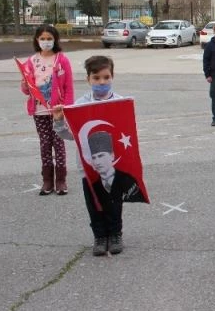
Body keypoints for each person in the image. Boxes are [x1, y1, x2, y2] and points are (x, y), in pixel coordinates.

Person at [53, 55, 142, 256]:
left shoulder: (120, 102)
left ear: (112, 77)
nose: (102, 82)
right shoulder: (80, 105)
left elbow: (126, 132)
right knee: (94, 203)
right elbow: (71, 135)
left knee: (114, 202)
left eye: (106, 77)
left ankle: (115, 234)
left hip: (114, 167)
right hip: (89, 168)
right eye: (96, 78)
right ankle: (100, 236)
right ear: (88, 79)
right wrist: (59, 121)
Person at [19, 25, 74, 195]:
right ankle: (47, 180)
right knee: (45, 144)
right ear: (37, 40)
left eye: (49, 38)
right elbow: (27, 90)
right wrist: (24, 85)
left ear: (55, 40)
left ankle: (61, 180)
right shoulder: (31, 61)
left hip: (58, 111)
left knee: (58, 143)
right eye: (42, 38)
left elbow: (68, 86)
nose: (46, 41)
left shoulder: (62, 60)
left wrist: (66, 107)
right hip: (39, 110)